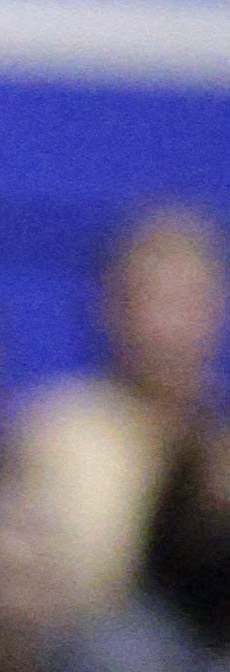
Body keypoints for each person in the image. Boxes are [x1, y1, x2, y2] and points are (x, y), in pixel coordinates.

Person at [14, 204, 225, 617]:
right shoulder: (56, 431)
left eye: (185, 302)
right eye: (146, 301)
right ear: (107, 309)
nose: (164, 329)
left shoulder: (221, 442)